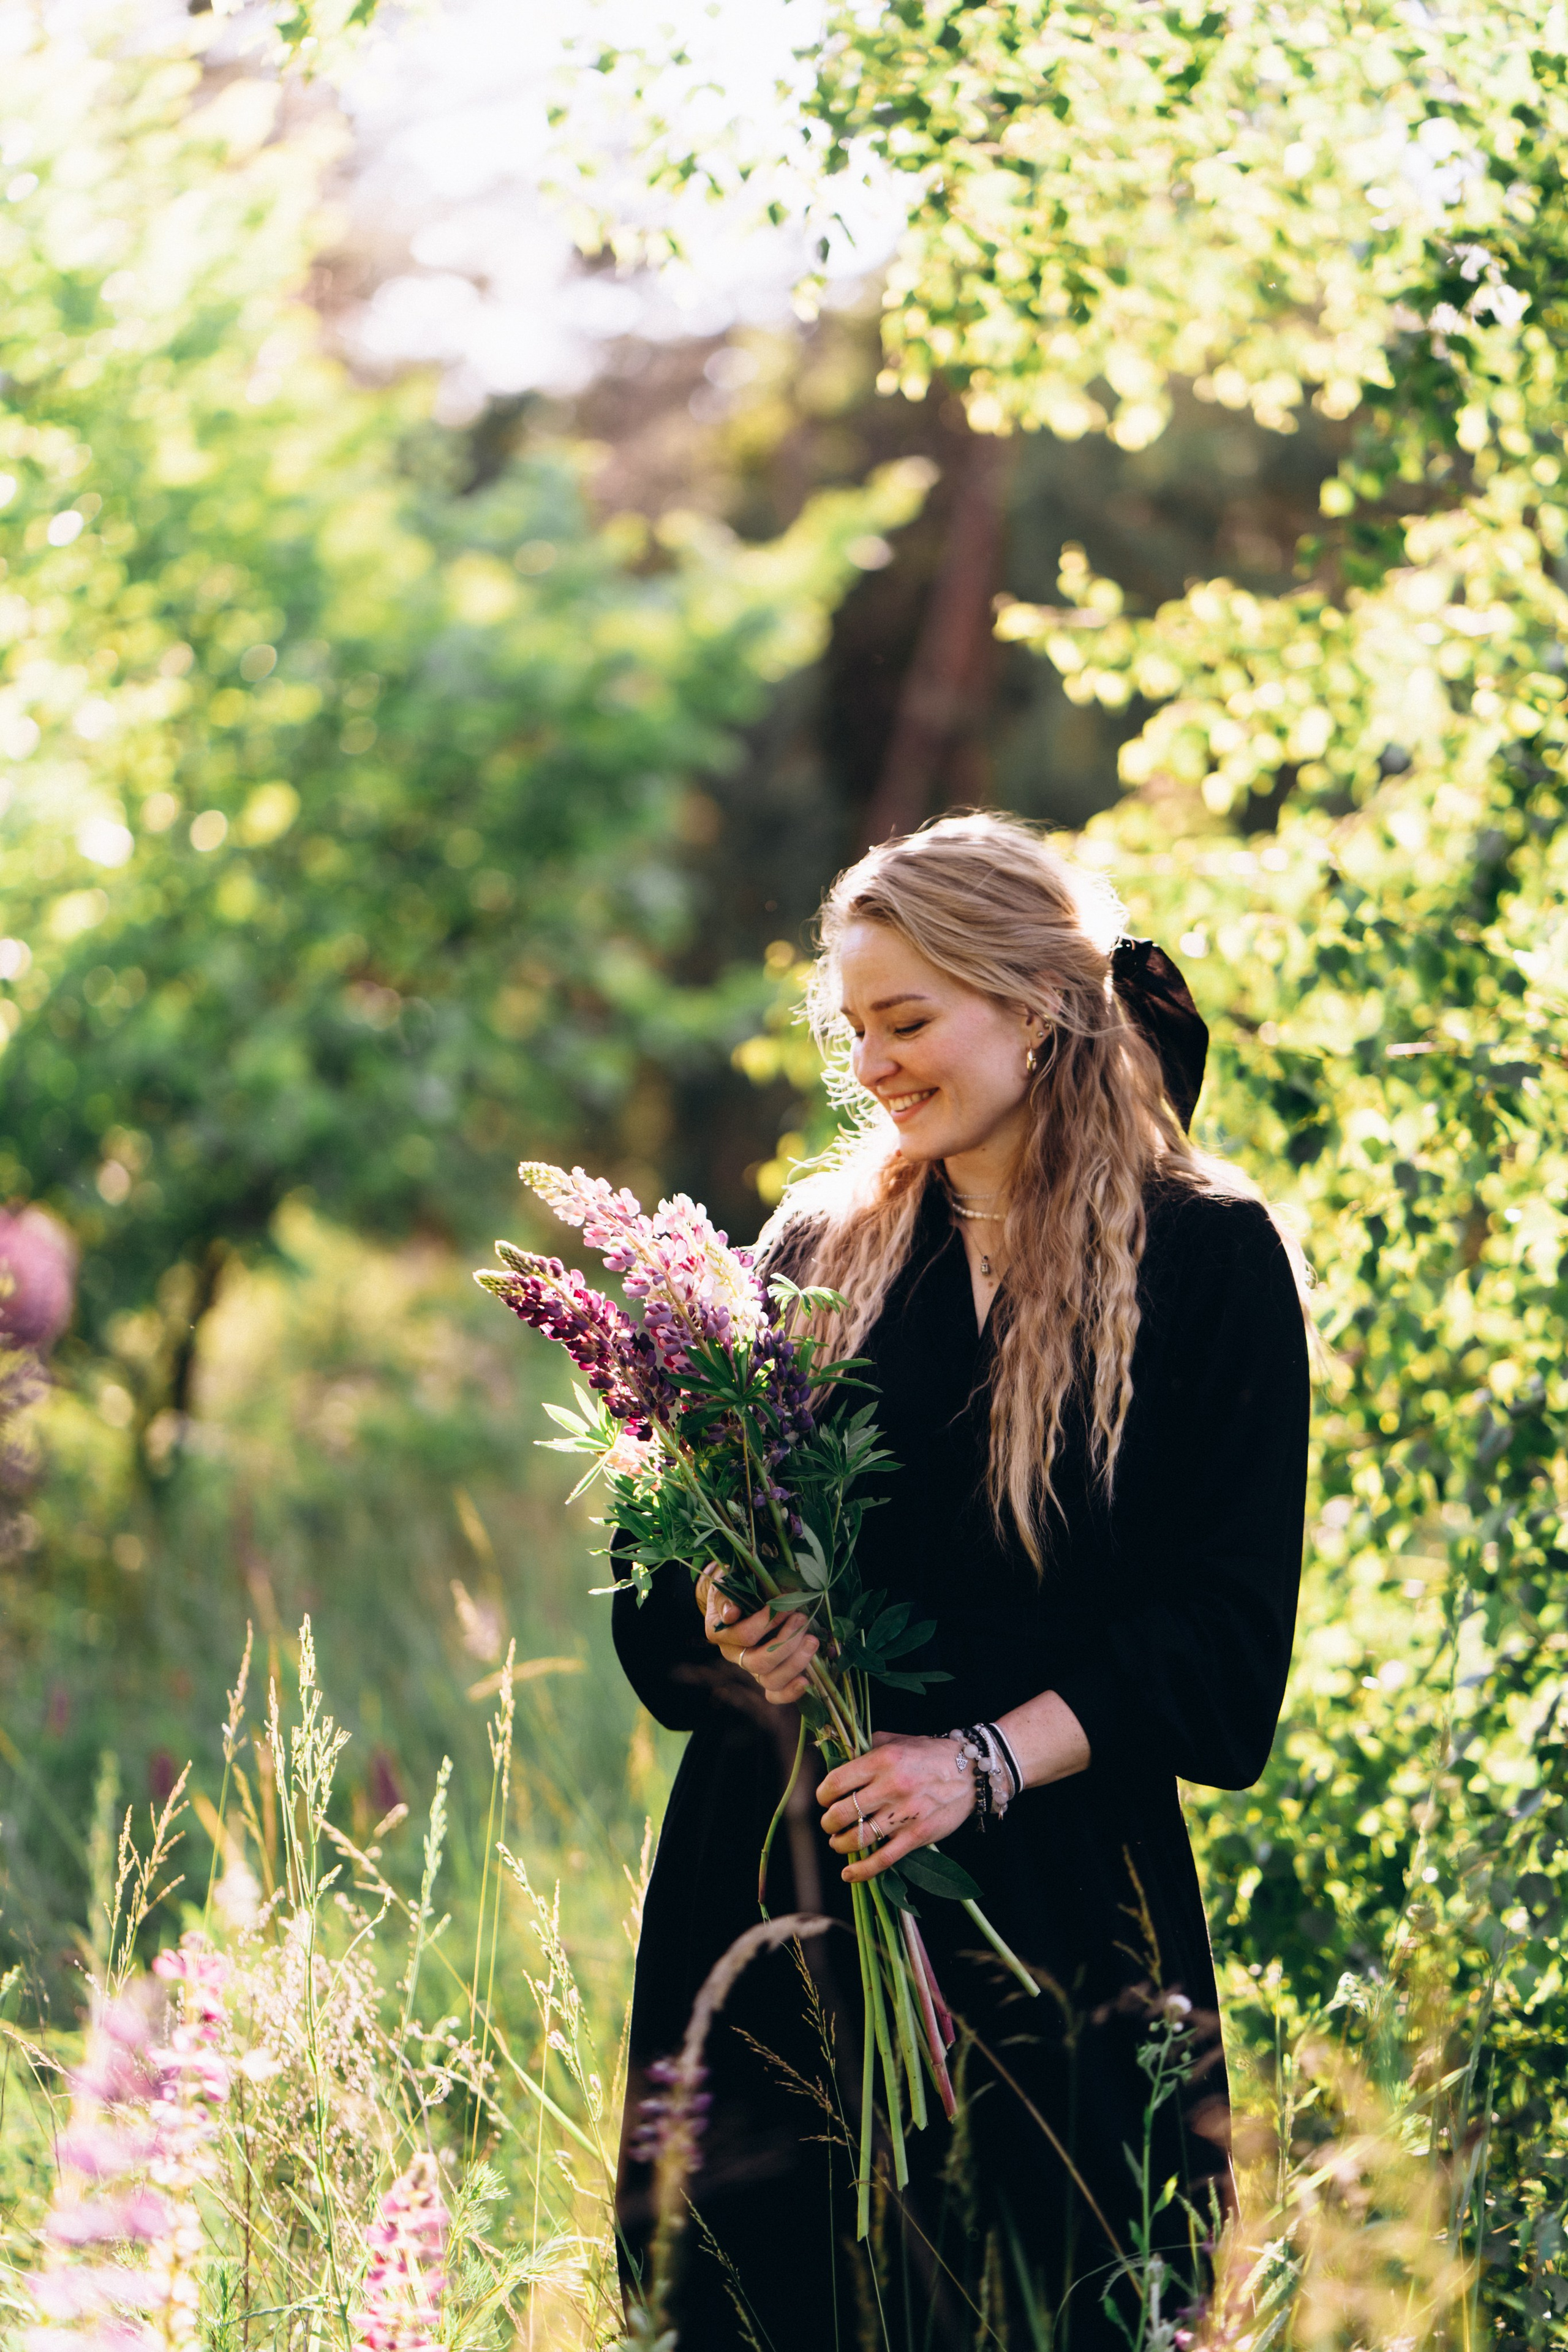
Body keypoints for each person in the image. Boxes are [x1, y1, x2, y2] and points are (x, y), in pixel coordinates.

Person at [612, 813, 1311, 2351]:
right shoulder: (814, 1239)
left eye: (907, 1020)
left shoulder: (1205, 1258)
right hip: (778, 1899)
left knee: (1060, 2301)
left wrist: (976, 1768)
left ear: (1036, 1002)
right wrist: (727, 1618)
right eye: (851, 1028)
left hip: (1061, 1922)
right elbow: (655, 1571)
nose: (871, 1064)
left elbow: (1222, 1640)